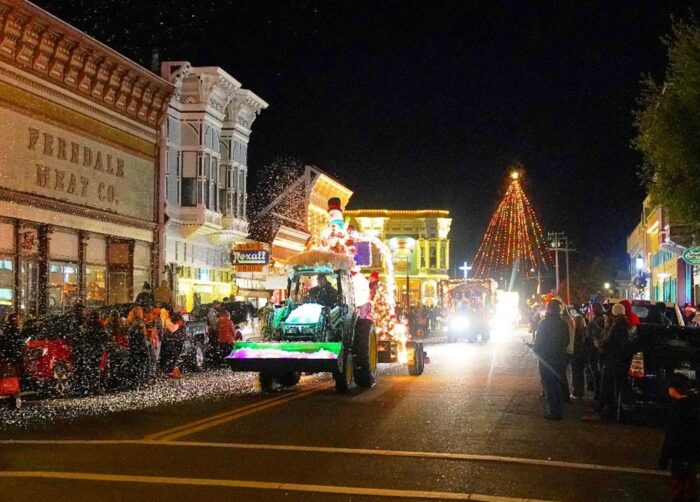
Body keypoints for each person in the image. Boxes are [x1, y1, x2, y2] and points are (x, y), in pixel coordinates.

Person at [659, 373, 699, 502]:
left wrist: (663, 459)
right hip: (692, 450)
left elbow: (672, 435)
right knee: (690, 477)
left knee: (680, 481)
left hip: (681, 451)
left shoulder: (679, 408)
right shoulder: (693, 404)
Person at [533, 300, 569, 420]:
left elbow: (539, 341)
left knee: (549, 385)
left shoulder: (545, 323)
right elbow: (566, 340)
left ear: (549, 309)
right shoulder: (563, 323)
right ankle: (559, 410)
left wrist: (537, 351)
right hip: (560, 357)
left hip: (547, 358)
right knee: (557, 384)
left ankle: (553, 411)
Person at [595, 303, 631, 420]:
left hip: (613, 361)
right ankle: (606, 409)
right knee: (612, 387)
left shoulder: (617, 326)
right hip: (618, 361)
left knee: (608, 386)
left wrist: (600, 344)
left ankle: (608, 411)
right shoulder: (624, 325)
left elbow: (610, 342)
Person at [75, 311, 109, 395]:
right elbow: (105, 336)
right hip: (96, 349)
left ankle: (86, 388)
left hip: (87, 349)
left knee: (87, 369)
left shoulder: (85, 325)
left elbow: (80, 336)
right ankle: (94, 388)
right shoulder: (99, 326)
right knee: (95, 369)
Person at [585, 303, 605, 402]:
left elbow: (589, 336)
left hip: (594, 351)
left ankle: (598, 396)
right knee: (600, 374)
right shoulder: (606, 320)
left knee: (596, 375)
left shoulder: (593, 322)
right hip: (603, 352)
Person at [560, 305, 575, 403]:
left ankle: (565, 396)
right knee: (562, 372)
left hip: (565, 350)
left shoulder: (564, 322)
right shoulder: (571, 321)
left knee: (561, 373)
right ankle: (565, 395)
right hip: (570, 349)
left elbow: (564, 338)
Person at [571, 314, 587, 399]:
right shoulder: (585, 330)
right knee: (581, 374)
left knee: (576, 374)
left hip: (576, 355)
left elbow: (575, 344)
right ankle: (581, 392)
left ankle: (576, 392)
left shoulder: (575, 331)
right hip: (583, 355)